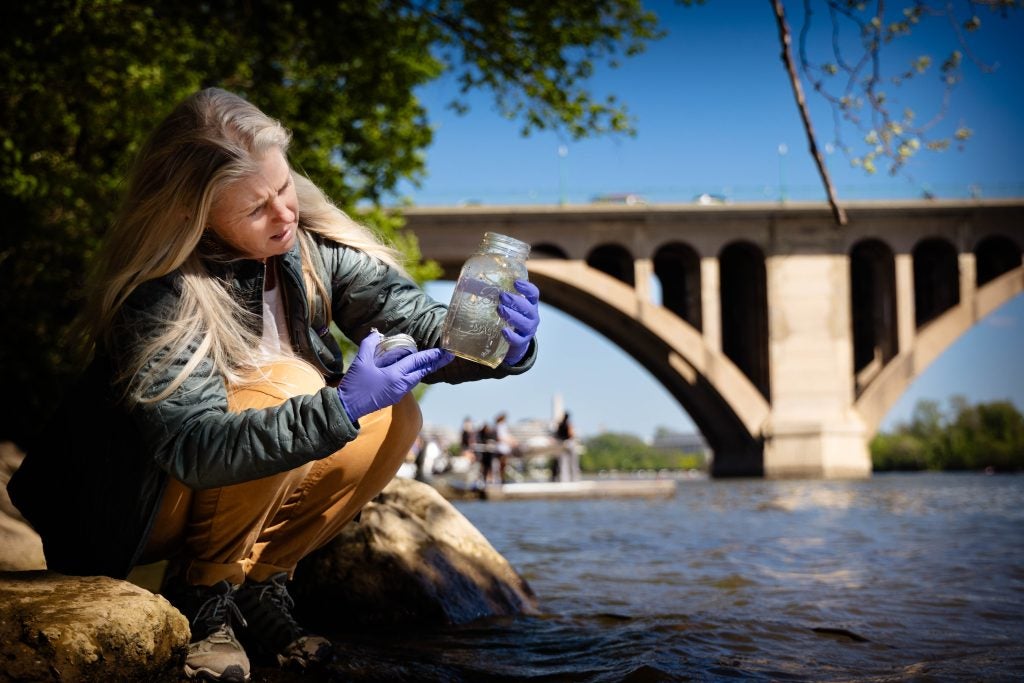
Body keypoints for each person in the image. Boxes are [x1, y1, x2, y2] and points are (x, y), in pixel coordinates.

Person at [8, 88, 541, 682]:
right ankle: (202, 596)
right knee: (290, 383)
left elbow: (416, 324)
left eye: (284, 189)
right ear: (194, 213)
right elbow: (196, 447)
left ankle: (259, 586)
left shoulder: (309, 251)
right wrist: (338, 404)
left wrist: (498, 347)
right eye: (256, 207)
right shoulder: (162, 292)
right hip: (132, 509)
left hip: (223, 490)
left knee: (397, 416)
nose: (284, 215)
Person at [555, 411, 580, 483]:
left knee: (563, 463)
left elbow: (557, 435)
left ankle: (564, 479)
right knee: (573, 462)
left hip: (562, 444)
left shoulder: (560, 424)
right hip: (569, 443)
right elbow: (571, 434)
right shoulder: (568, 424)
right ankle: (575, 478)